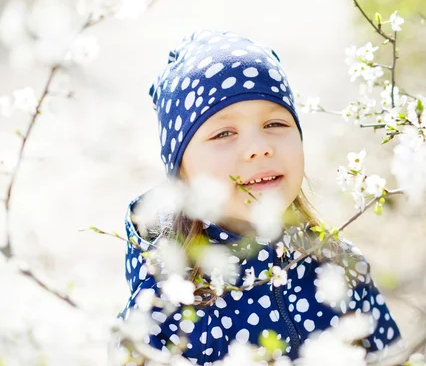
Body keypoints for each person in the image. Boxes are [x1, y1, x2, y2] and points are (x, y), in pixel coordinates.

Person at [115, 29, 403, 365]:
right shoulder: (165, 302)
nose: (259, 147)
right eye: (224, 133)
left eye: (275, 124)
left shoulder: (337, 266)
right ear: (182, 173)